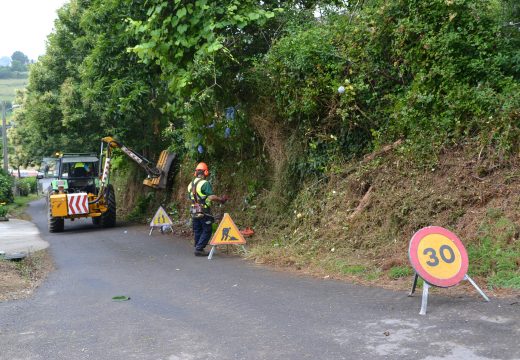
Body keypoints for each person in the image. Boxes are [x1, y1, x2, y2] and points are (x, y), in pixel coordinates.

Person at [187, 162, 227, 256]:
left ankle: (197, 246)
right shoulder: (204, 183)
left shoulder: (190, 184)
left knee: (197, 229)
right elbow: (212, 197)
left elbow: (191, 197)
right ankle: (199, 249)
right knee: (207, 229)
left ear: (196, 173)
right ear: (205, 172)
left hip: (194, 209)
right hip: (203, 210)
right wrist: (221, 200)